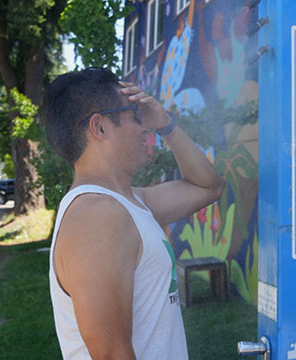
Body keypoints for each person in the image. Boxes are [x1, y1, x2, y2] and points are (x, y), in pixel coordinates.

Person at [43, 67, 224, 359]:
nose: (144, 128)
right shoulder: (98, 217)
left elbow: (209, 186)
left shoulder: (130, 203)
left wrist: (166, 125)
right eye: (135, 115)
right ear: (100, 128)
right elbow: (111, 354)